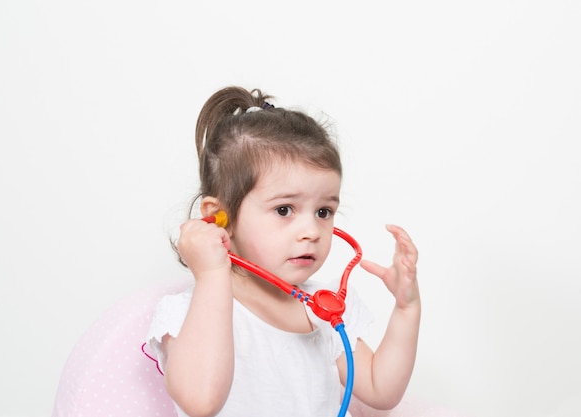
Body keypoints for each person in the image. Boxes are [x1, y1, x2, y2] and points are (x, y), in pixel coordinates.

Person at [146, 86, 421, 417]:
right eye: (284, 210)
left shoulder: (326, 309)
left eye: (323, 212)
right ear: (220, 218)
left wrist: (407, 309)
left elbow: (380, 389)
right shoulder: (190, 313)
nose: (311, 232)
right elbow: (201, 402)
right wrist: (211, 274)